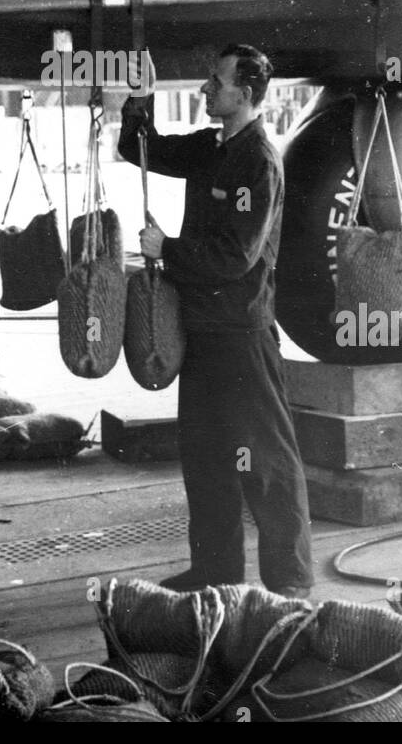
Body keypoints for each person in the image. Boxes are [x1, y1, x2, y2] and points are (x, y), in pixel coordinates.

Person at [117, 43, 314, 599]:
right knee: (205, 458)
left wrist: (167, 248)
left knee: (268, 464)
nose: (205, 89)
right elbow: (141, 150)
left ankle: (291, 586)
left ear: (245, 94)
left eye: (215, 82)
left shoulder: (258, 161)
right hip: (202, 332)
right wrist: (139, 94)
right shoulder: (213, 147)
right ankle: (215, 570)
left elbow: (236, 257)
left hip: (242, 336)